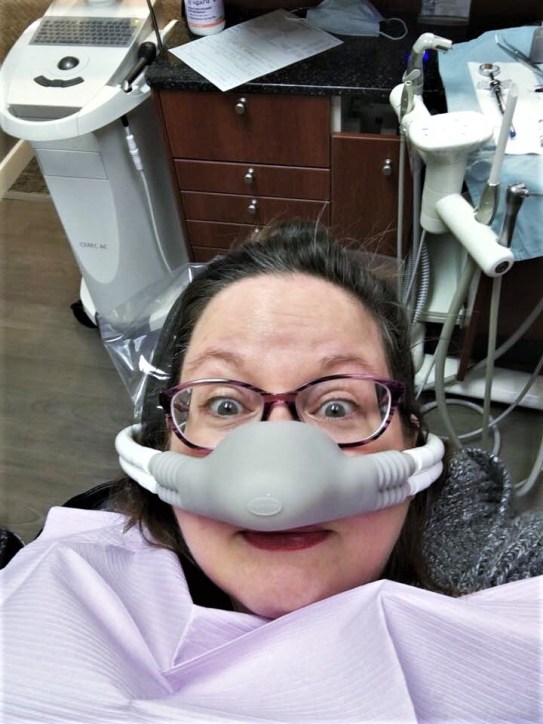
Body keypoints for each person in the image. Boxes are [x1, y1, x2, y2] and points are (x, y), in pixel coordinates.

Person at [1, 220, 542, 722]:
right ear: (160, 446)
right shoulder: (68, 583)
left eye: (337, 406)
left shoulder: (488, 569)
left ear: (412, 442)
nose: (277, 470)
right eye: (225, 405)